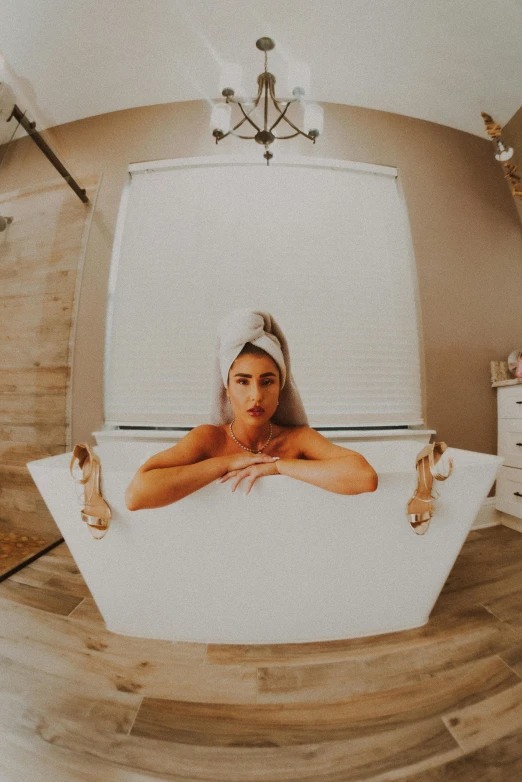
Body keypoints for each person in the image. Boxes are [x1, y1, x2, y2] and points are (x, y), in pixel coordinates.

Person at [125, 309, 378, 510]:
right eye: (243, 381)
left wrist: (277, 466)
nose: (256, 396)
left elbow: (364, 477)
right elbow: (137, 495)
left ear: (280, 387)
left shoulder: (298, 439)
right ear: (226, 387)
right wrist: (227, 462)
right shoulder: (210, 439)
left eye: (267, 382)